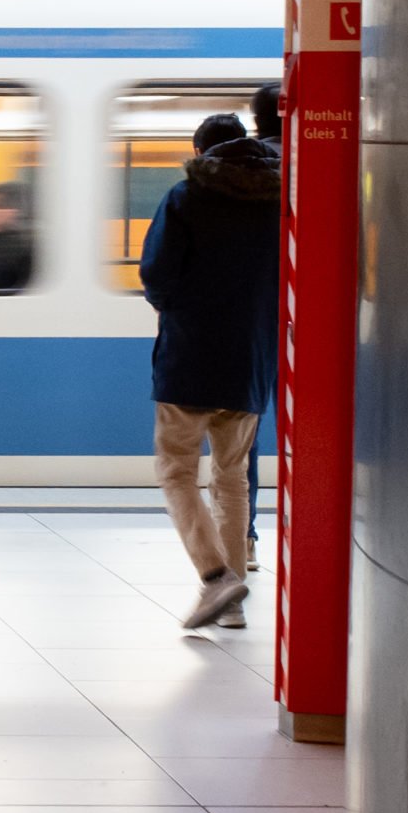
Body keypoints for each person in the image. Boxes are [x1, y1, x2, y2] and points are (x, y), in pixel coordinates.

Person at [139, 111, 281, 629]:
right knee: (233, 476)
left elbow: (156, 273)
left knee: (176, 470)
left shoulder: (186, 196)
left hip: (190, 355)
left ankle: (217, 577)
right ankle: (234, 605)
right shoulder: (278, 201)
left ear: (201, 153)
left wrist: (174, 306)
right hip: (252, 358)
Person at [245, 82, 285, 571]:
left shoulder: (238, 171)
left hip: (249, 321)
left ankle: (246, 537)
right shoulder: (318, 162)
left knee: (244, 436)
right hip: (307, 321)